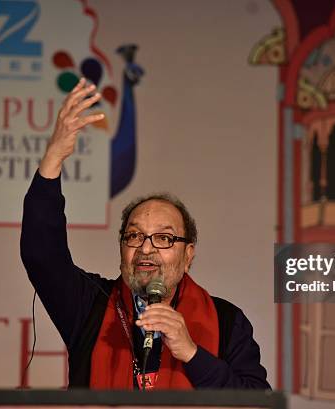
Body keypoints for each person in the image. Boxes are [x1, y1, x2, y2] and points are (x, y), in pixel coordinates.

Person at [20, 78, 270, 390]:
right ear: (122, 248)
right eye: (135, 236)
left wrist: (192, 354)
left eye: (164, 238)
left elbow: (257, 402)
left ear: (188, 254)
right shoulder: (90, 306)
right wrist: (54, 157)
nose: (146, 249)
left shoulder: (227, 320)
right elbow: (41, 254)